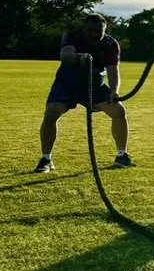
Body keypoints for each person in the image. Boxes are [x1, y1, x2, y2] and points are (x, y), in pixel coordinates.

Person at [34, 13, 134, 173]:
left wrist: (114, 91)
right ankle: (46, 159)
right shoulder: (72, 36)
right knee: (51, 113)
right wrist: (78, 57)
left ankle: (122, 155)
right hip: (67, 83)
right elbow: (65, 56)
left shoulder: (110, 43)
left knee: (119, 111)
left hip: (94, 85)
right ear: (83, 28)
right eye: (90, 30)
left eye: (98, 31)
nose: (94, 34)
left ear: (105, 30)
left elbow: (113, 70)